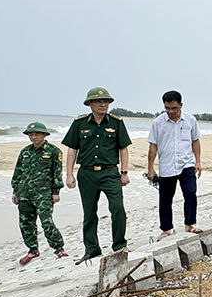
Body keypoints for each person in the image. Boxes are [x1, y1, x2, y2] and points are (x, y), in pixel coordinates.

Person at [62, 87, 132, 265]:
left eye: (106, 102)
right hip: (87, 174)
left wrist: (124, 172)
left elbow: (123, 148)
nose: (103, 104)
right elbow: (72, 149)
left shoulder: (116, 123)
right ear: (90, 104)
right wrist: (69, 174)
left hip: (110, 173)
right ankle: (92, 249)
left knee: (117, 209)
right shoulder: (80, 123)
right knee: (89, 213)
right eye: (99, 101)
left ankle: (119, 246)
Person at [147, 90, 203, 240]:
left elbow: (195, 141)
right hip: (167, 165)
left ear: (181, 105)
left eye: (174, 108)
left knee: (190, 192)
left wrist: (198, 161)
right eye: (167, 108)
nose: (171, 111)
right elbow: (153, 146)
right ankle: (166, 229)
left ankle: (190, 224)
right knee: (165, 198)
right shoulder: (158, 122)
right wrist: (150, 168)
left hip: (187, 163)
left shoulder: (190, 120)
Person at [11, 122, 68, 264]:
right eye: (31, 134)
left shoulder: (54, 151)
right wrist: (15, 191)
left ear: (44, 135)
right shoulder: (25, 152)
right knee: (26, 223)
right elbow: (18, 172)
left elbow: (57, 173)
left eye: (37, 134)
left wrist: (56, 191)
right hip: (24, 193)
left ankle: (59, 249)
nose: (33, 137)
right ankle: (32, 250)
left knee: (47, 222)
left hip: (44, 194)